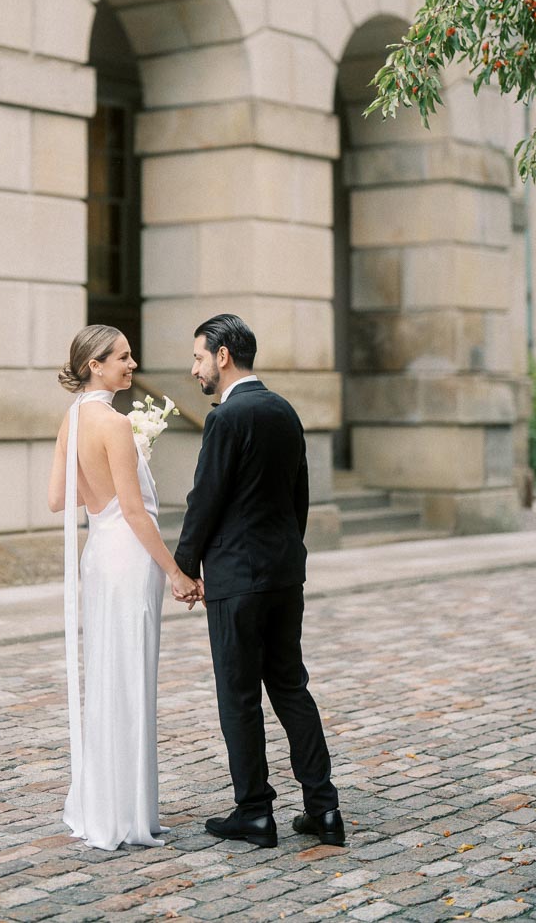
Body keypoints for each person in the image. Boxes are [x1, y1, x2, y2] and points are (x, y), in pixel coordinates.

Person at [173, 313, 343, 850]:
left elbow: (205, 499)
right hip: (283, 573)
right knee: (291, 686)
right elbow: (300, 498)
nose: (194, 366)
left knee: (239, 696)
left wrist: (184, 564)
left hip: (237, 579)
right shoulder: (283, 410)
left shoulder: (226, 418)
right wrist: (287, 554)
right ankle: (324, 808)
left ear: (223, 357)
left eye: (199, 356)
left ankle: (254, 813)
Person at [48, 324, 200, 852]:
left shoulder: (71, 420)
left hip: (99, 555)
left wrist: (99, 497)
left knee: (109, 673)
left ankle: (106, 801)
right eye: (123, 358)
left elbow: (55, 499)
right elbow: (136, 513)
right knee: (130, 674)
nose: (132, 366)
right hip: (130, 559)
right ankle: (127, 810)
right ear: (95, 364)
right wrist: (177, 571)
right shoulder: (112, 424)